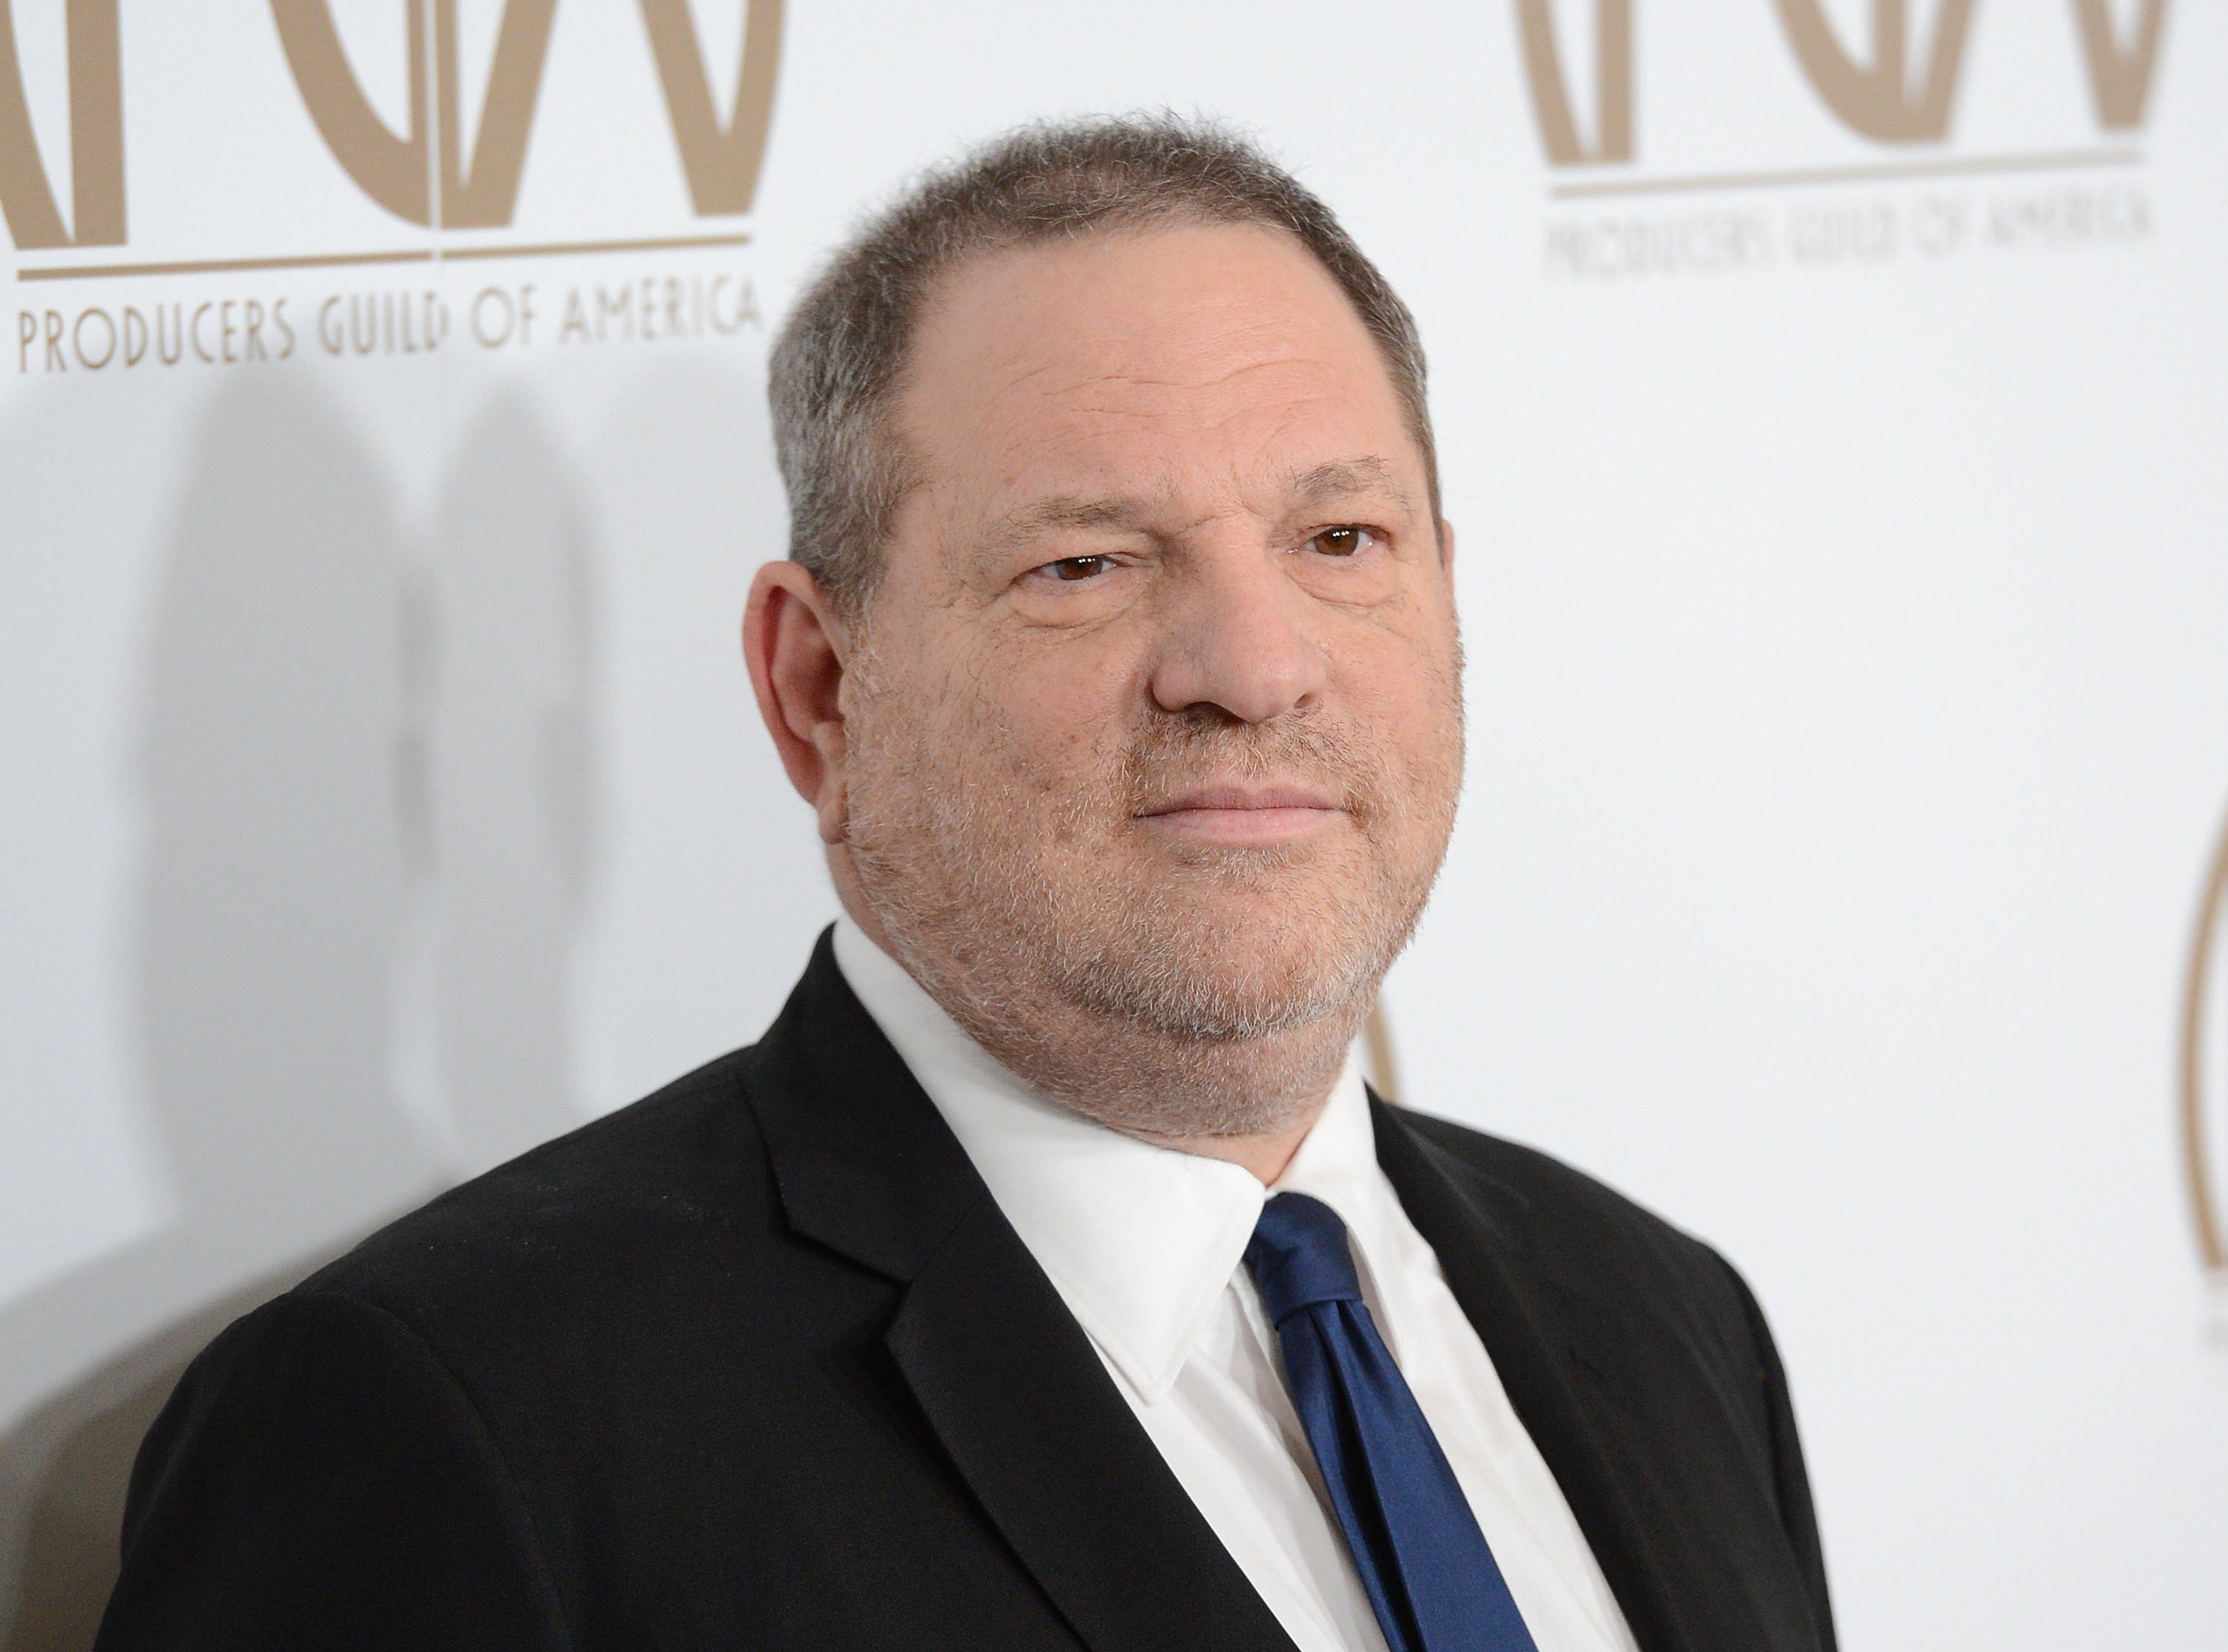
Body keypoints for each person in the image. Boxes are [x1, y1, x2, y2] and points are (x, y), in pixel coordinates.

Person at [96, 117, 1835, 1652]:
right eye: (1085, 563)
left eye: (1339, 540)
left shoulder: (1666, 1320)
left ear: (1447, 601)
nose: (1254, 663)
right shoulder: (458, 1433)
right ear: (820, 690)